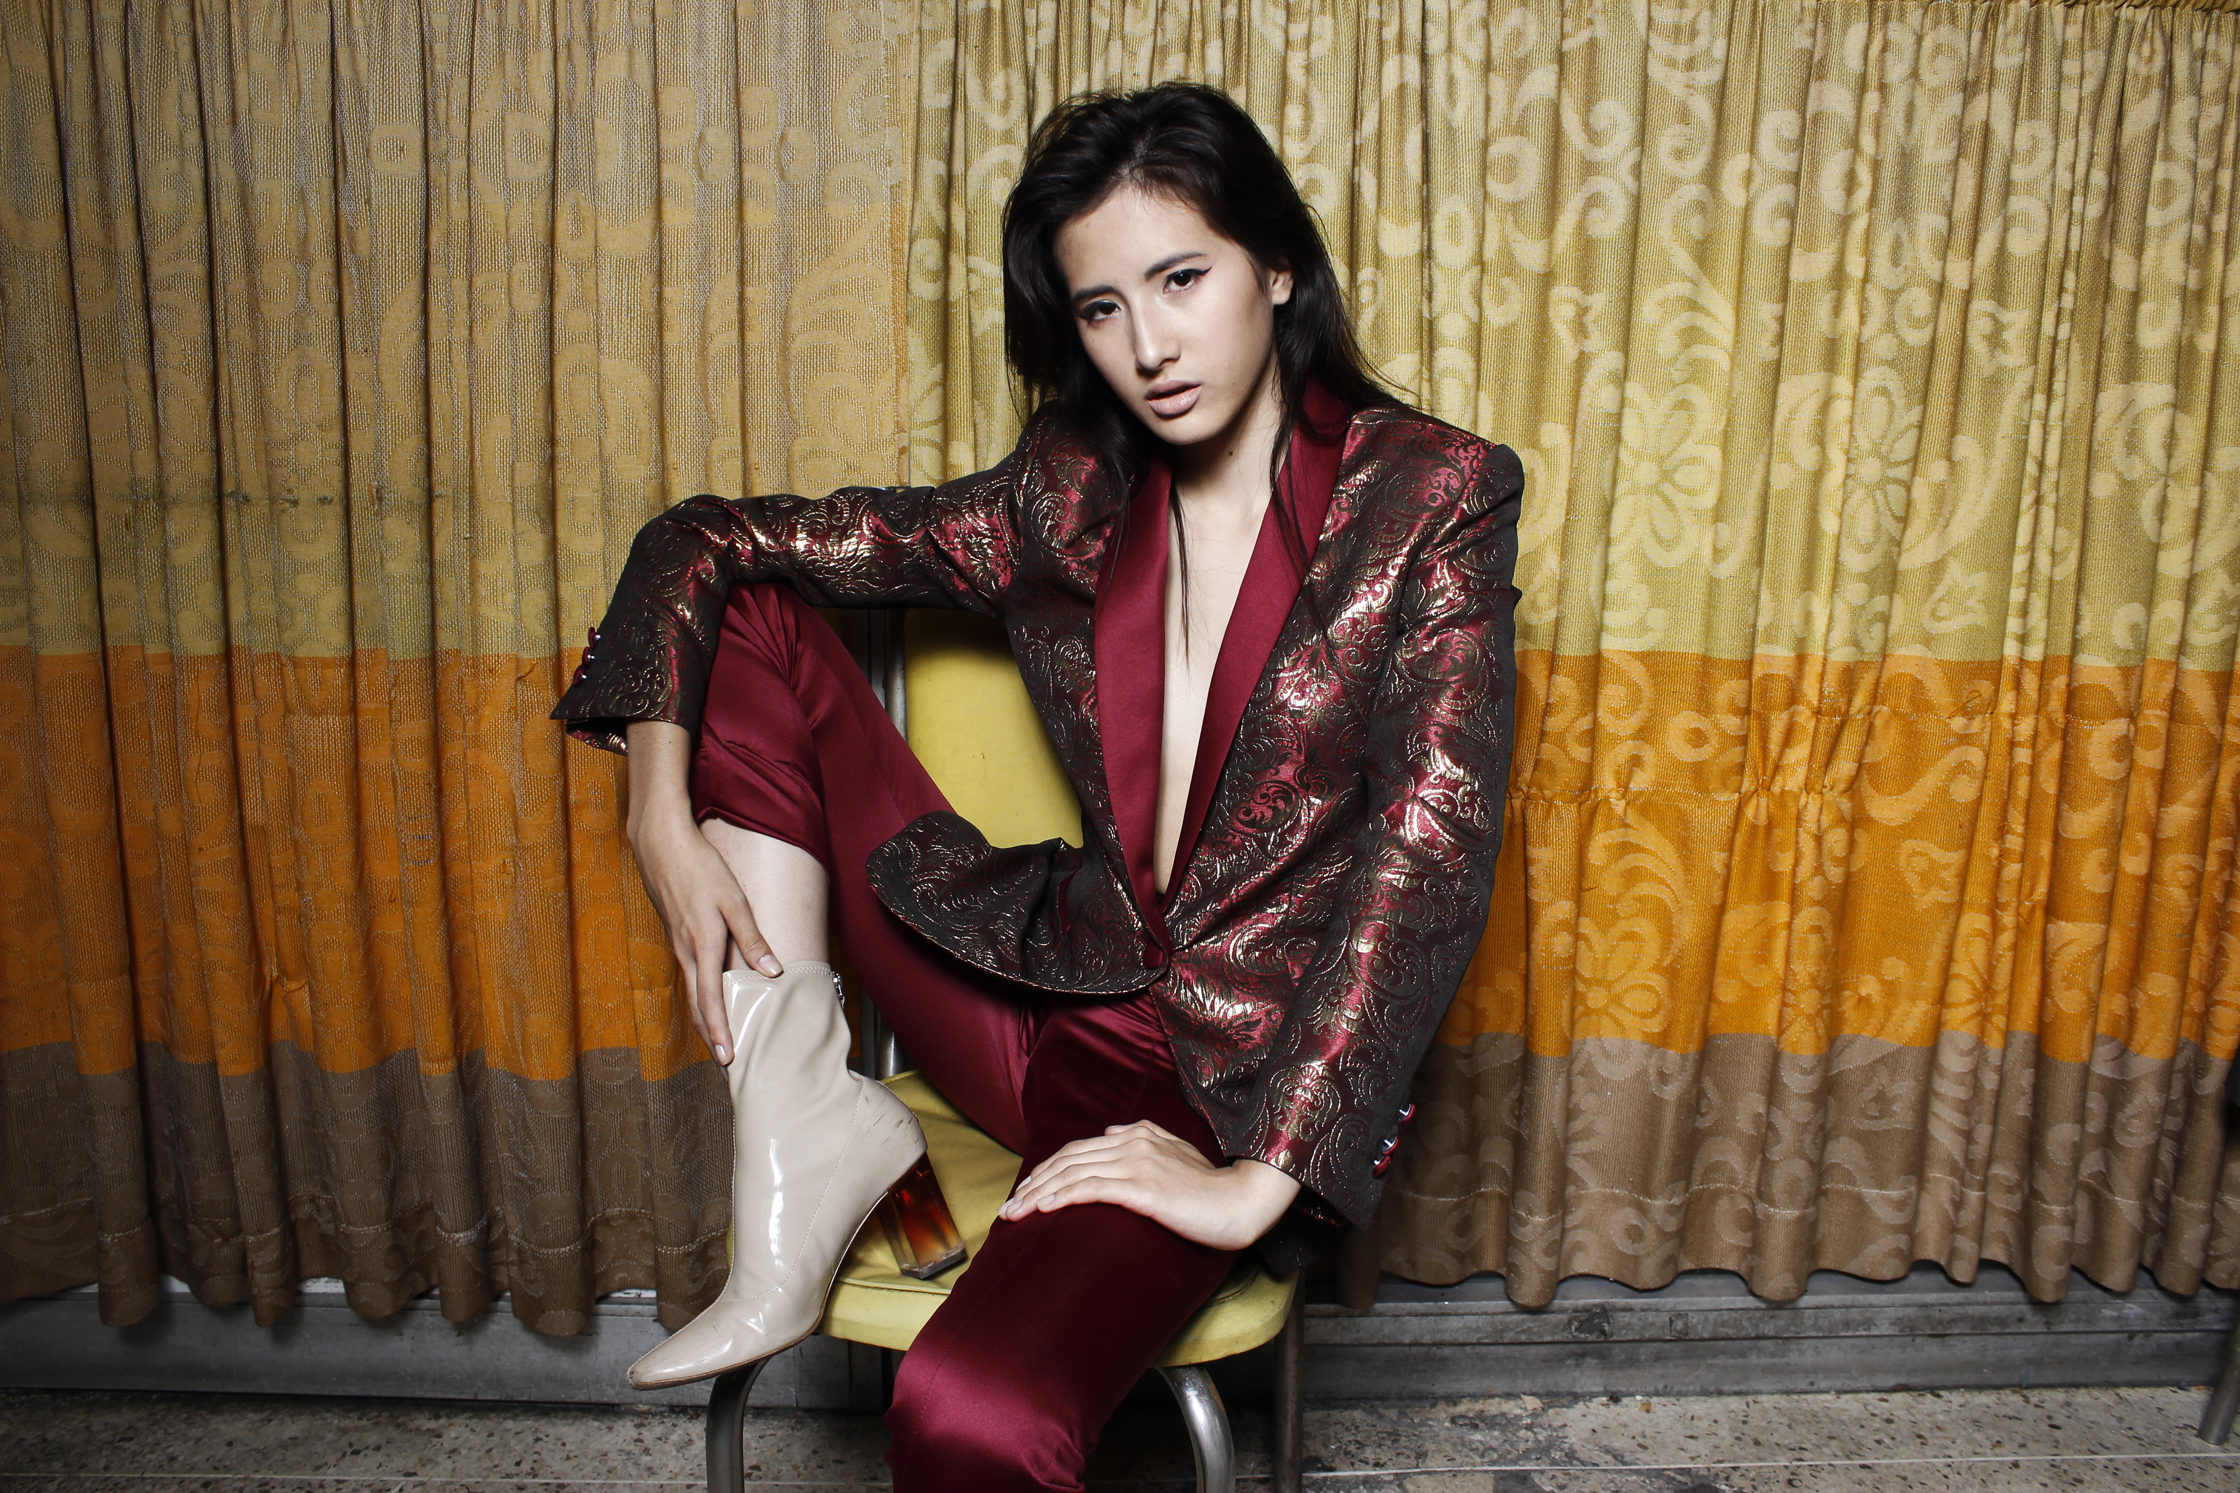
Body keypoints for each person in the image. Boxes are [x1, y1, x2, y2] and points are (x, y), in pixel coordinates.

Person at [553, 80, 1521, 1493]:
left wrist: (1252, 1178)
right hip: (1040, 980)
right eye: (1101, 308)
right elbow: (704, 541)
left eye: (1181, 279)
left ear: (1277, 264)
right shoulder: (1070, 491)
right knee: (746, 616)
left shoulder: (1431, 498)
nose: (1149, 346)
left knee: (973, 1414)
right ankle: (808, 1126)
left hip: (1222, 1083)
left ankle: (928, 1168)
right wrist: (656, 812)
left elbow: (1427, 848)